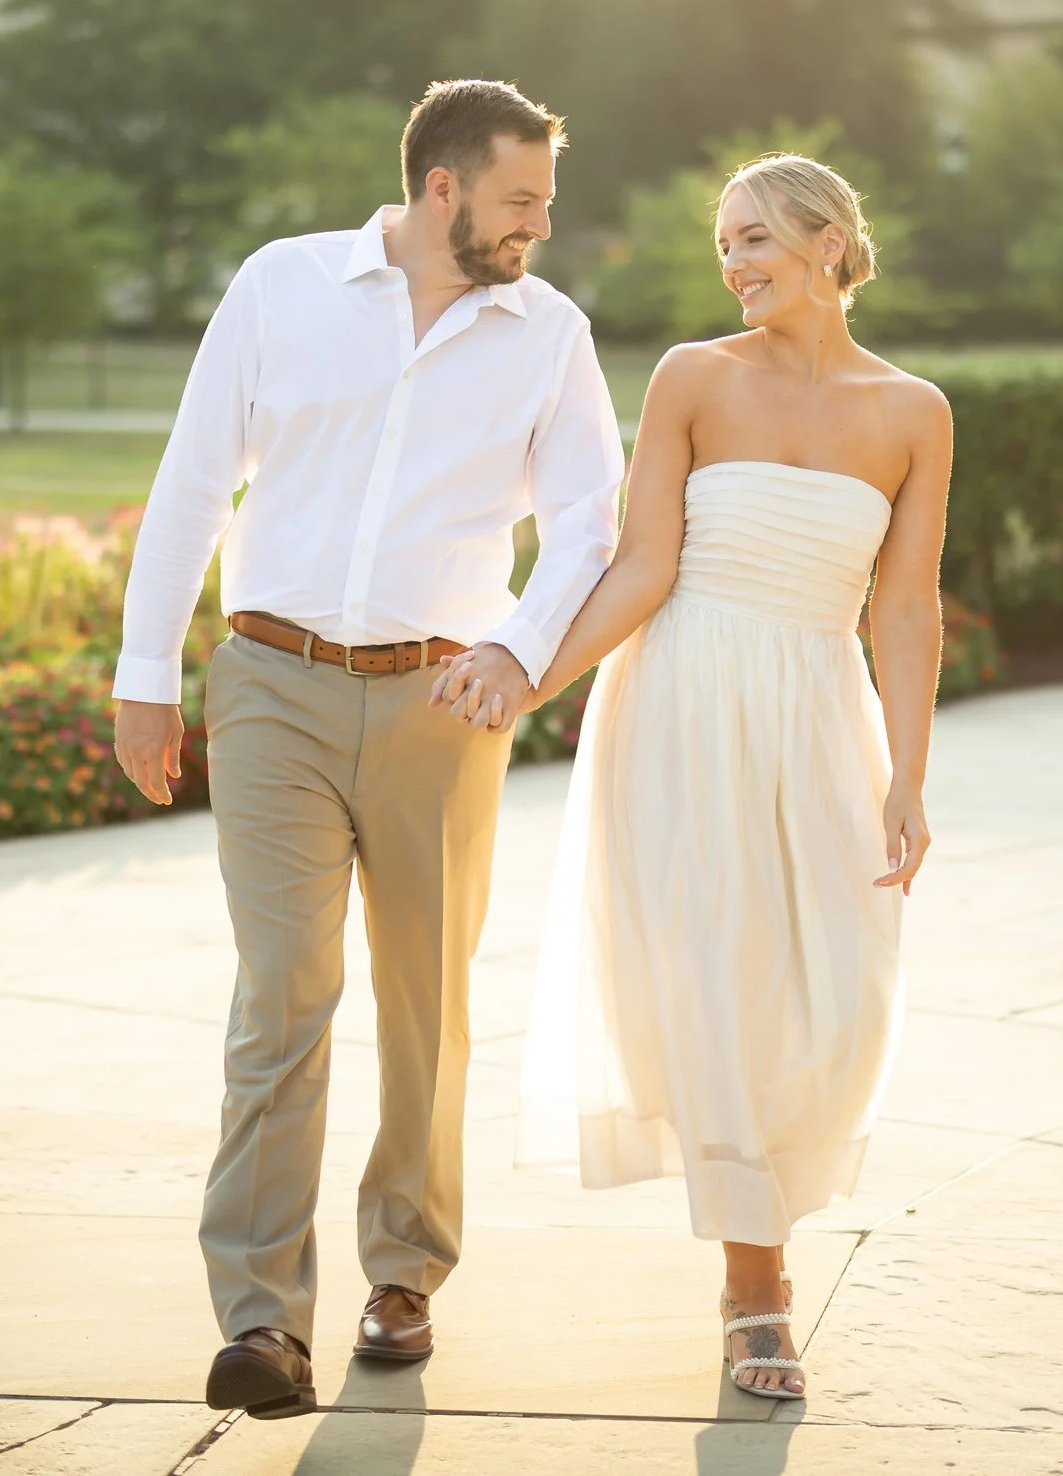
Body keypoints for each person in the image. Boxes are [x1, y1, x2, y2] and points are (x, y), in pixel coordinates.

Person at [111, 80, 624, 1421]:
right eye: (522, 201)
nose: (541, 225)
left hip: (439, 701)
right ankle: (263, 1313)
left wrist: (516, 643)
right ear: (444, 189)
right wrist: (142, 675)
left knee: (423, 1001)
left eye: (545, 204)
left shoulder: (548, 332)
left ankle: (405, 1272)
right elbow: (190, 479)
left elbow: (587, 519)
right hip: (271, 682)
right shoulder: (281, 286)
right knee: (281, 992)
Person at [436, 153, 949, 1401]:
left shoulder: (913, 410)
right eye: (724, 244)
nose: (735, 264)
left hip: (821, 709)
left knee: (840, 988)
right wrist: (528, 676)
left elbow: (906, 609)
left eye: (757, 239)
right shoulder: (691, 377)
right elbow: (640, 563)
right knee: (718, 971)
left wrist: (908, 773)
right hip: (678, 700)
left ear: (829, 242)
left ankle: (758, 1234)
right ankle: (754, 1284)